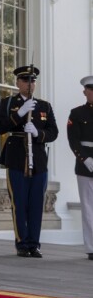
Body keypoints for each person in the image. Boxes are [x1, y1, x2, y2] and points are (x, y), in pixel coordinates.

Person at [0, 65, 58, 258]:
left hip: (38, 158)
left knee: (36, 203)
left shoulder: (44, 106)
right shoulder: (8, 103)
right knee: (19, 202)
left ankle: (34, 243)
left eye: (33, 81)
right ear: (17, 83)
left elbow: (53, 132)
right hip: (16, 156)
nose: (30, 84)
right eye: (25, 80)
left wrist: (39, 133)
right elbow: (0, 127)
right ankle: (22, 242)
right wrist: (19, 113)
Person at [67, 75, 93, 261]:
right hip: (85, 164)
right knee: (88, 206)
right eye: (90, 89)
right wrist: (85, 159)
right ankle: (92, 247)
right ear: (85, 92)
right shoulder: (76, 113)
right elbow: (73, 139)